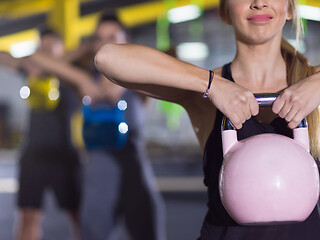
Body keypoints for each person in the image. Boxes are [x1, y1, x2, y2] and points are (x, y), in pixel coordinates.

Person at [94, 0, 320, 239]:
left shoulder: (313, 86)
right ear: (225, 11)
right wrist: (212, 84)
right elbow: (107, 58)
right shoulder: (203, 94)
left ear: (291, 9)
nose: (259, 3)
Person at [23, 14, 166, 240]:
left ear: (126, 40)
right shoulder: (84, 81)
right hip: (98, 176)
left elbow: (170, 58)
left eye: (112, 37)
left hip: (134, 172)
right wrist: (83, 51)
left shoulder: (140, 80)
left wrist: (125, 74)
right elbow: (36, 58)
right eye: (99, 38)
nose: (105, 43)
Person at [0, 28, 100, 240]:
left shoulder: (74, 74)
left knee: (78, 215)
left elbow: (91, 50)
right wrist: (29, 62)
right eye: (41, 47)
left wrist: (58, 59)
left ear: (61, 47)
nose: (44, 51)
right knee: (28, 215)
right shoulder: (32, 72)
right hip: (33, 155)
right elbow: (5, 57)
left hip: (64, 154)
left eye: (49, 46)